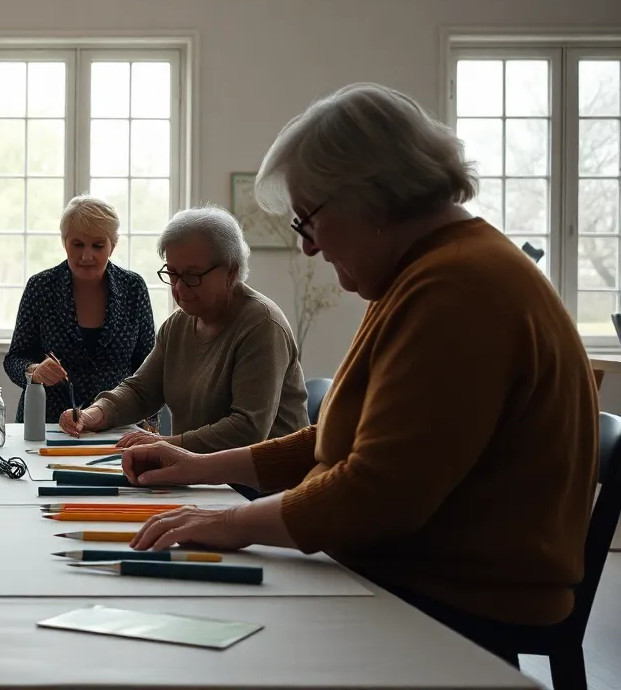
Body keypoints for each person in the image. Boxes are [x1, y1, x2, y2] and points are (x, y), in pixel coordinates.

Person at [120, 82, 597, 664]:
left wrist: (233, 522)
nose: (308, 248)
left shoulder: (456, 286)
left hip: (447, 603)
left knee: (184, 636)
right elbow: (343, 442)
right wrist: (198, 466)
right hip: (403, 574)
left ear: (367, 196)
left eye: (308, 221)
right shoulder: (423, 273)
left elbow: (378, 492)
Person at [59, 206, 308, 453]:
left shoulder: (262, 325)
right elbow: (140, 391)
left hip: (267, 475)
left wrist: (167, 444)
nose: (178, 287)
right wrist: (93, 414)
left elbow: (247, 429)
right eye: (172, 273)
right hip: (202, 469)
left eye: (192, 275)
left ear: (231, 272)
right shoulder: (178, 324)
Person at [3, 195, 156, 423]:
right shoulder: (41, 287)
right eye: (77, 245)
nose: (86, 255)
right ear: (64, 243)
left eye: (98, 246)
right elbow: (15, 358)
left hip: (116, 423)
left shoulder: (133, 287)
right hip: (47, 422)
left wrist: (149, 424)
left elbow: (149, 369)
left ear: (112, 246)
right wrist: (34, 371)